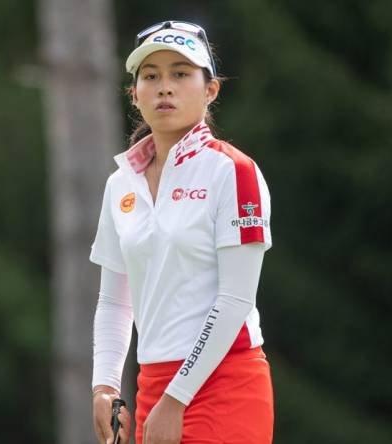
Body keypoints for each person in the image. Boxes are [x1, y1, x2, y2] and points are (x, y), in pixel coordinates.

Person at [90, 20, 274, 444]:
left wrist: (176, 399)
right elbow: (114, 301)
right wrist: (105, 385)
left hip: (226, 381)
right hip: (153, 386)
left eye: (180, 73)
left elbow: (235, 299)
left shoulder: (233, 170)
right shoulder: (121, 184)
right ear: (134, 94)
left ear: (210, 90)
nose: (164, 87)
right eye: (150, 76)